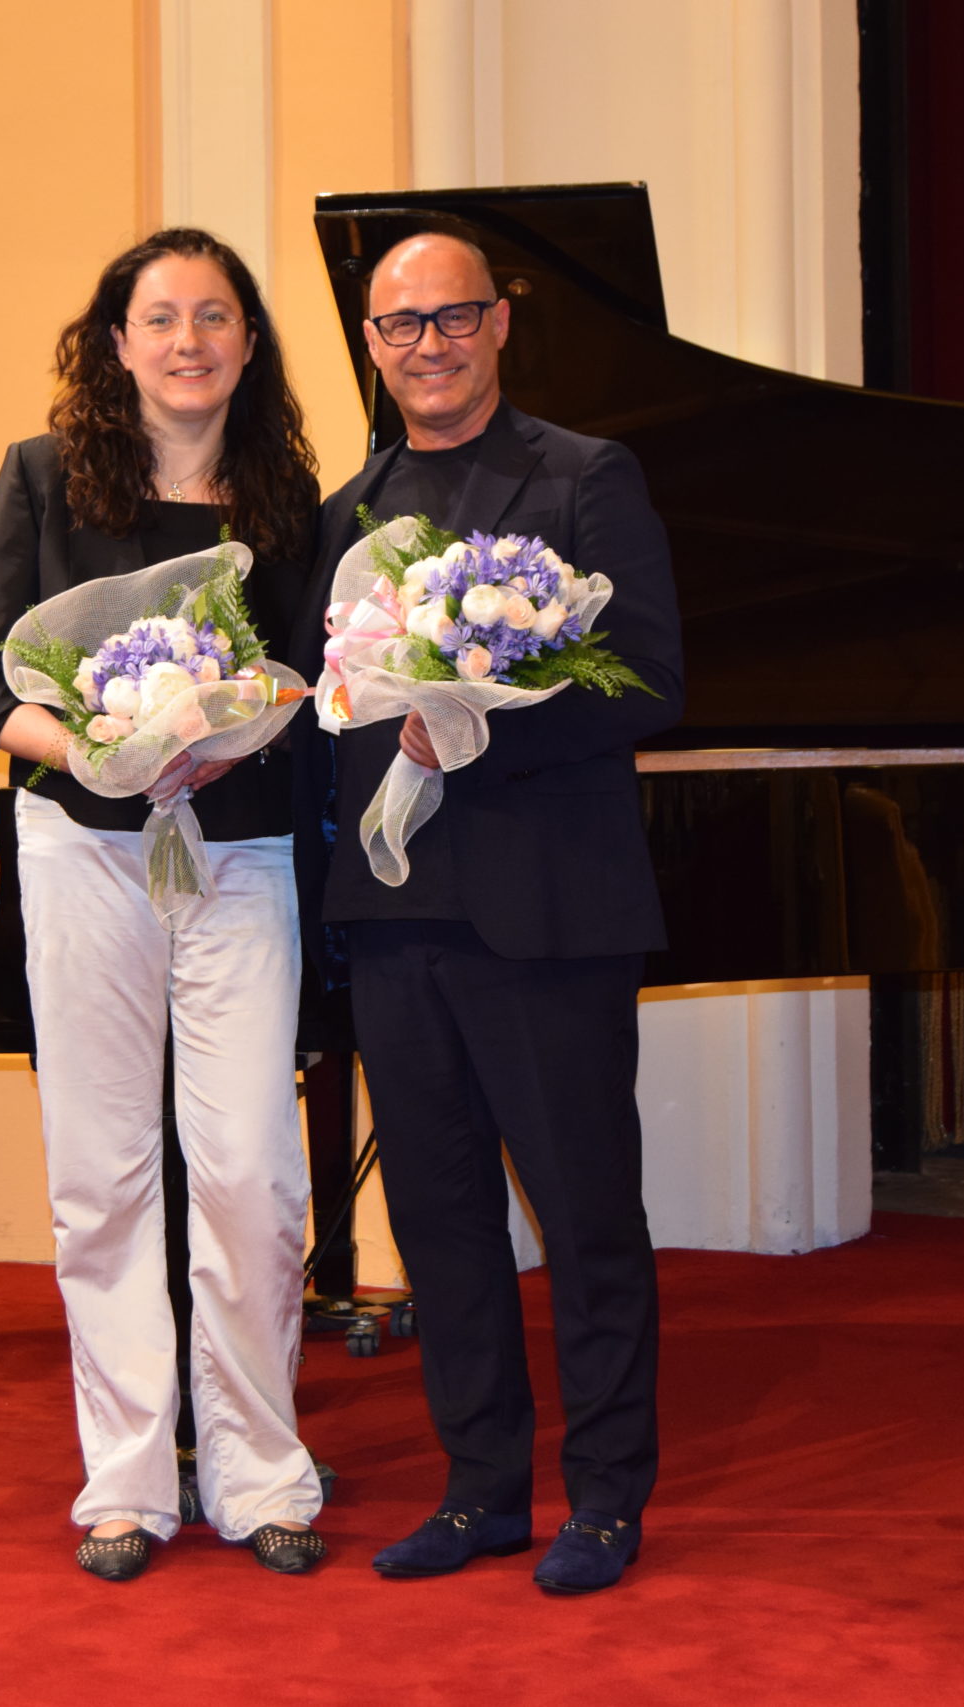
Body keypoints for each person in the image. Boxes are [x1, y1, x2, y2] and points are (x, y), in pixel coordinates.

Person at [294, 230, 684, 1595]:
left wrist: (477, 731)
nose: (430, 346)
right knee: (442, 1221)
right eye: (402, 325)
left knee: (585, 1219)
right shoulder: (348, 512)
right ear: (372, 343)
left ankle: (609, 1499)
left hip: (549, 915)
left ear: (501, 324)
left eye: (454, 317)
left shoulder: (583, 478)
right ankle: (481, 1493)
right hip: (397, 918)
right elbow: (332, 712)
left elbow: (651, 683)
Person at [0, 229, 327, 1581]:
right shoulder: (41, 478)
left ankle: (259, 1469)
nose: (187, 342)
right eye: (160, 318)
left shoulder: (285, 496)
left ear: (247, 341)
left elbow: (306, 679)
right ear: (116, 343)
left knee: (251, 1174)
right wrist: (94, 752)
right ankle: (126, 1480)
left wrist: (234, 732)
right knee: (103, 1175)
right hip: (85, 849)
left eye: (213, 317)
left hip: (241, 852)